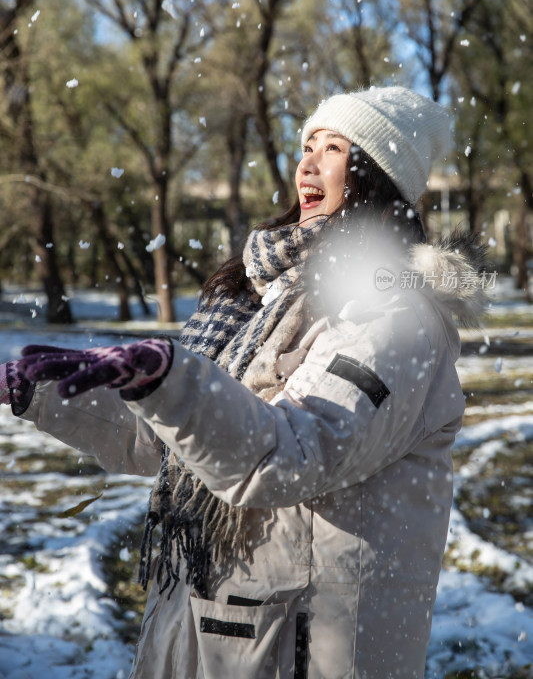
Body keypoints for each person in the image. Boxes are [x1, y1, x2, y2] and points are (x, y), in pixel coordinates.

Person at [0, 86, 486, 679]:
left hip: (301, 647)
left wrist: (176, 380)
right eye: (306, 145)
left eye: (334, 148)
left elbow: (288, 454)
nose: (307, 163)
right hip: (206, 626)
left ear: (379, 181)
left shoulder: (396, 318)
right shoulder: (262, 300)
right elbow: (166, 446)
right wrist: (47, 395)